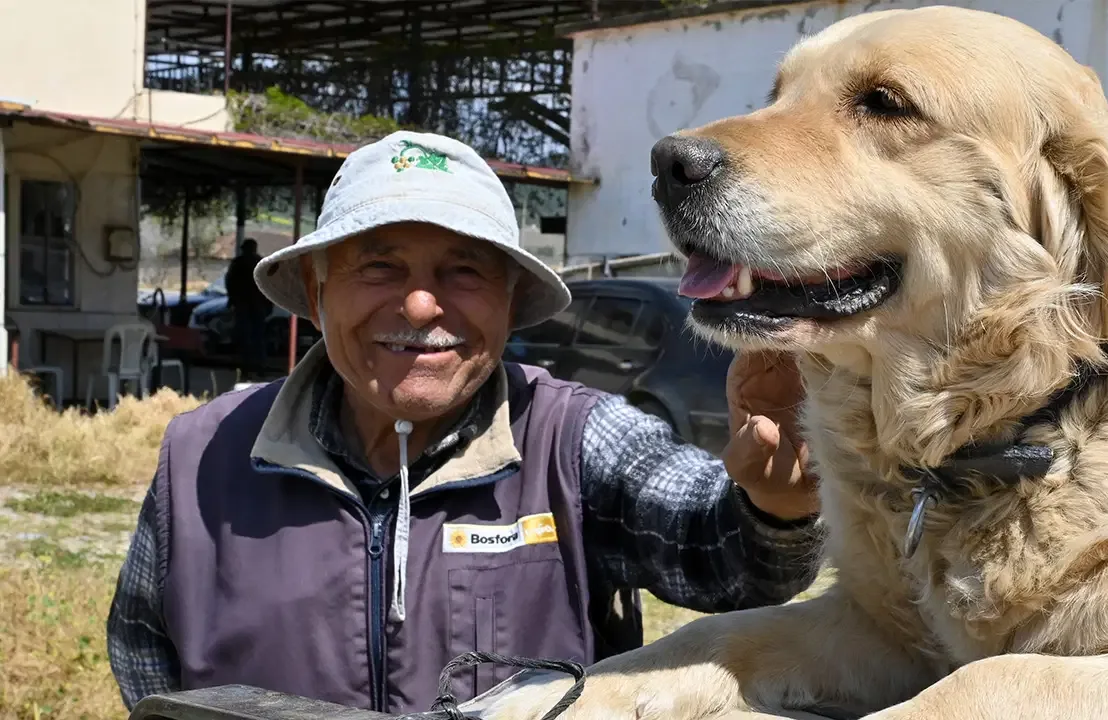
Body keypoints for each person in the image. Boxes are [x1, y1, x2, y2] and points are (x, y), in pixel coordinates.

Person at [105, 131, 822, 715]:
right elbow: (145, 662)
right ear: (318, 293)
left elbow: (718, 549)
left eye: (464, 271)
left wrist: (773, 506)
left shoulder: (570, 439)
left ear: (510, 301)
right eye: (379, 267)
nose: (422, 306)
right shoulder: (202, 455)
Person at [224, 238, 270, 378]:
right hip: (256, 305)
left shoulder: (239, 263)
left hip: (244, 304)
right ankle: (259, 367)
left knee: (245, 337)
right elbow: (268, 285)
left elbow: (230, 282)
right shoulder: (261, 263)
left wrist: (232, 300)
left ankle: (246, 368)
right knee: (258, 337)